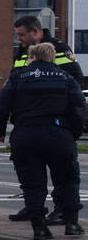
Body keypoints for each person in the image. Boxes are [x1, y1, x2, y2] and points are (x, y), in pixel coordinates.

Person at [0, 42, 85, 240]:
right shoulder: (65, 78)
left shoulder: (17, 77)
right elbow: (79, 109)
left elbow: (1, 104)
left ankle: (39, 227)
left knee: (33, 184)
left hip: (26, 135)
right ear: (52, 57)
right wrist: (73, 134)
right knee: (68, 179)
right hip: (58, 134)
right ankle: (72, 223)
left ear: (32, 57)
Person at [9, 16, 85, 224]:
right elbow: (14, 81)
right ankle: (34, 208)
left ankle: (61, 210)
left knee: (63, 172)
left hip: (58, 123)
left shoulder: (59, 49)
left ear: (36, 32)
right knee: (32, 174)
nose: (19, 39)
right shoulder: (23, 52)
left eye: (22, 35)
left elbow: (75, 81)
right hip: (28, 121)